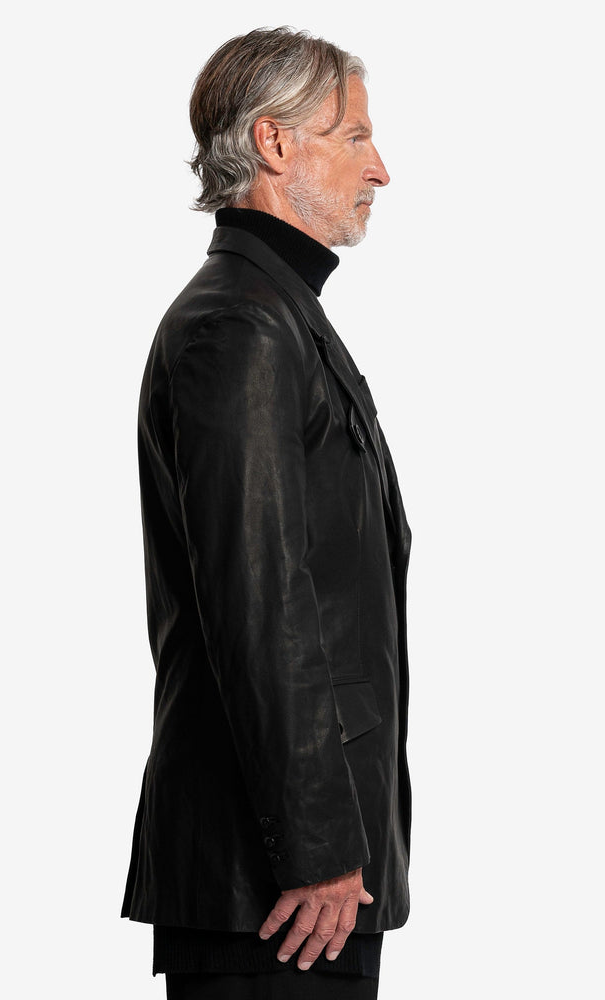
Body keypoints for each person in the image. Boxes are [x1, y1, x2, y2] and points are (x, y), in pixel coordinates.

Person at [121, 27, 413, 1000]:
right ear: (275, 144)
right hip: (280, 889)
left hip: (296, 879)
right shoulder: (241, 325)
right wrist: (320, 846)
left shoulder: (279, 314)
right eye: (354, 136)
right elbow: (260, 602)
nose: (380, 168)